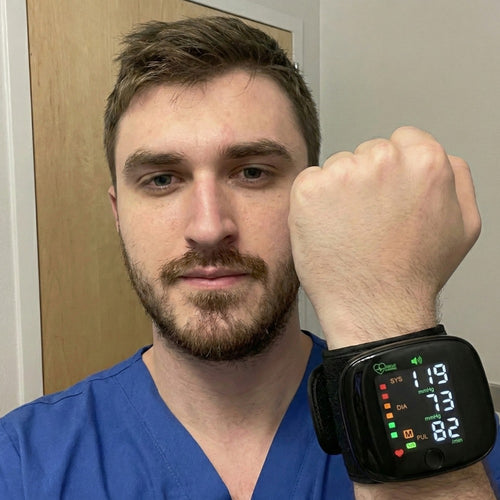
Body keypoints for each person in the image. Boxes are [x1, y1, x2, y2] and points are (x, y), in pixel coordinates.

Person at [0, 16, 498, 499]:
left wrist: (387, 319)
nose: (208, 228)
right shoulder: (21, 463)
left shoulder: (477, 461)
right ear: (117, 213)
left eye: (253, 172)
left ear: (313, 201)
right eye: (162, 179)